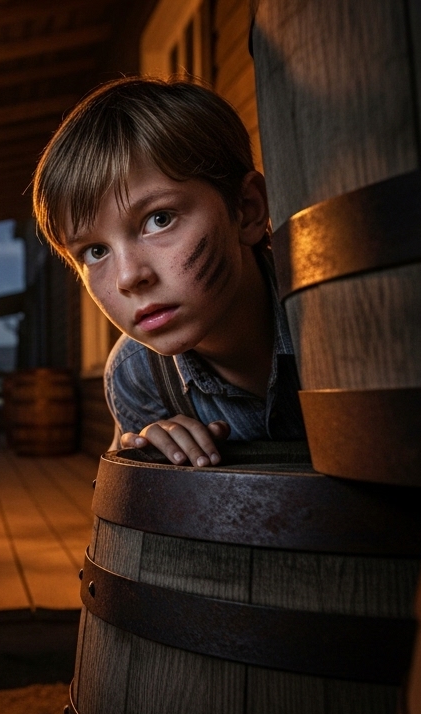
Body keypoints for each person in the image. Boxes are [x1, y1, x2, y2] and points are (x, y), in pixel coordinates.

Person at [31, 77, 305, 468]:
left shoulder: (329, 310)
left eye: (159, 219)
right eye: (95, 251)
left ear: (246, 209)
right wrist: (153, 463)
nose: (128, 277)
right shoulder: (137, 376)